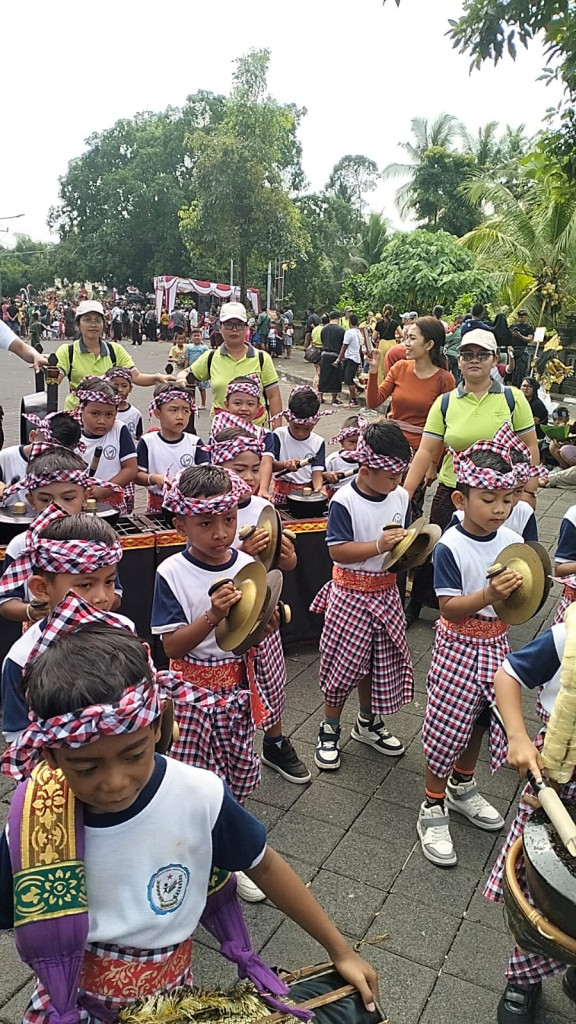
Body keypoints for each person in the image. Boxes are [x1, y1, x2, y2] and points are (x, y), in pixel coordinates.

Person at [0, 602, 379, 1022]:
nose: (114, 782)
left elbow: (265, 866)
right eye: (86, 767)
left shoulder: (198, 794)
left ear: (159, 725)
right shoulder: (35, 820)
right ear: (50, 757)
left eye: (133, 754)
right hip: (70, 1006)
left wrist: (340, 949)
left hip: (173, 1003)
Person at [417, 429, 527, 869]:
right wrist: (489, 594)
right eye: (488, 498)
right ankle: (432, 803)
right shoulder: (451, 546)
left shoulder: (509, 538)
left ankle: (463, 785)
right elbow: (449, 609)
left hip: (496, 643)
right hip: (459, 645)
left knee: (483, 720)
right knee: (448, 723)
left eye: (507, 497)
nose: (500, 508)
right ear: (461, 500)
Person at [402, 328, 538, 627]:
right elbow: (426, 451)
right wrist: (403, 495)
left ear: (494, 360)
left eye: (482, 354)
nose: (474, 360)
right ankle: (421, 602)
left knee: (496, 547)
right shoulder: (446, 403)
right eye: (467, 355)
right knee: (434, 545)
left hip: (500, 494)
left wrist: (527, 493)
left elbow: (530, 447)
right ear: (458, 361)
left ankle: (492, 605)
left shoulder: (512, 398)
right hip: (454, 488)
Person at [485, 620, 576, 1024]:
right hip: (558, 779)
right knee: (545, 886)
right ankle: (524, 979)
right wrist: (519, 737)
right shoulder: (570, 634)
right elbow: (509, 673)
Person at [211, 426, 310, 792]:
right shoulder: (206, 509)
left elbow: (287, 565)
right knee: (225, 688)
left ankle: (274, 741)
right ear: (218, 466)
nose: (250, 477)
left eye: (255, 468)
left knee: (271, 682)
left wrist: (285, 554)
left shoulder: (263, 507)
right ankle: (222, 750)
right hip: (224, 617)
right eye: (239, 469)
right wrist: (242, 553)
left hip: (262, 615)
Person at [310, 420, 413, 770]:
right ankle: (330, 725)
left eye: (400, 475)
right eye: (390, 476)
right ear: (366, 470)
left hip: (386, 592)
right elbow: (337, 551)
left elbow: (403, 545)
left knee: (379, 662)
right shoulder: (345, 500)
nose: (396, 483)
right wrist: (377, 545)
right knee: (343, 664)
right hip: (350, 592)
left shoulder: (400, 496)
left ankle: (368, 721)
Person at [0, 506, 127, 742]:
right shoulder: (22, 659)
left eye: (109, 582)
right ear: (42, 589)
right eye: (85, 585)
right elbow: (19, 736)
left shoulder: (124, 630)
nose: (102, 597)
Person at [0, 446, 124, 626]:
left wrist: (93, 601)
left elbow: (116, 595)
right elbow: (5, 602)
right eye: (45, 500)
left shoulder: (99, 538)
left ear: (85, 497)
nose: (56, 508)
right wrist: (32, 611)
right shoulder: (22, 545)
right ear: (31, 500)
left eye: (67, 499)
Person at [366, 316, 455, 517]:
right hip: (388, 447)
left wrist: (433, 465)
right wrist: (373, 370)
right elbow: (374, 401)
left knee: (409, 508)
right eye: (406, 337)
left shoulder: (445, 379)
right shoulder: (399, 368)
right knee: (378, 502)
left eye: (412, 338)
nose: (405, 343)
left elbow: (444, 427)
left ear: (429, 344)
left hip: (419, 454)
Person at [55, 300, 171, 411]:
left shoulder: (115, 350)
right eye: (87, 320)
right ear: (78, 324)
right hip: (76, 414)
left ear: (104, 324)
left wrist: (157, 378)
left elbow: (135, 377)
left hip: (107, 415)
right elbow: (54, 379)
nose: (93, 324)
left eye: (97, 320)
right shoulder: (67, 351)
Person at [188, 303, 282, 427]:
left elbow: (274, 396)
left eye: (238, 324)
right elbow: (188, 376)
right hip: (222, 436)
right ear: (220, 328)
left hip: (256, 437)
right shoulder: (210, 357)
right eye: (228, 325)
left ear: (246, 328)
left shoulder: (262, 358)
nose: (234, 329)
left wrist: (276, 433)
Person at [136, 384, 208, 513]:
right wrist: (154, 478)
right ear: (158, 413)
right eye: (173, 410)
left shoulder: (195, 442)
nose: (180, 416)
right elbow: (137, 475)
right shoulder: (148, 442)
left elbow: (206, 473)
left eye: (185, 410)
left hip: (189, 507)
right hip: (157, 507)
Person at [76, 377, 137, 513]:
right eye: (95, 414)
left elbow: (130, 469)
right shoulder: (72, 433)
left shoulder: (119, 430)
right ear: (81, 409)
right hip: (78, 501)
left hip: (112, 502)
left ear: (116, 412)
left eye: (109, 415)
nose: (102, 421)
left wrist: (105, 490)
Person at [0, 410, 82, 509]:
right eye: (46, 449)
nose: (52, 458)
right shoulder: (5, 458)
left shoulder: (71, 466)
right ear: (32, 436)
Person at [216, 376, 275, 498]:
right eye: (237, 403)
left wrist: (263, 489)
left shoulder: (264, 434)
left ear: (258, 406)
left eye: (250, 404)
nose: (244, 408)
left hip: (254, 491)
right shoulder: (219, 433)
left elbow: (266, 463)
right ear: (227, 404)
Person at [271, 386, 326, 507]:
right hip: (281, 493)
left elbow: (316, 473)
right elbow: (269, 466)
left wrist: (319, 489)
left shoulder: (318, 442)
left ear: (315, 422)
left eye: (307, 429)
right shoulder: (278, 436)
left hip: (307, 495)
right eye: (296, 427)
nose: (301, 433)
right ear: (287, 418)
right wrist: (285, 465)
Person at [323, 417, 360, 495]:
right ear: (342, 442)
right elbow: (318, 477)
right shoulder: (333, 460)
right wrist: (326, 476)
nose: (356, 446)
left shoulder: (369, 461)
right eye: (352, 442)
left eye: (361, 442)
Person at [334, 313, 363, 405]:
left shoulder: (349, 332)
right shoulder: (359, 333)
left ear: (350, 322)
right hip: (355, 357)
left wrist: (339, 359)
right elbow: (360, 347)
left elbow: (344, 346)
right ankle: (358, 388)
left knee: (348, 379)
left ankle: (353, 399)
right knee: (347, 377)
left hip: (350, 357)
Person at [318, 311, 344, 405]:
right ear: (339, 319)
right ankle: (334, 398)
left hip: (324, 355)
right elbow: (343, 345)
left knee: (323, 376)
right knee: (335, 378)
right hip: (335, 355)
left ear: (330, 319)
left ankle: (320, 396)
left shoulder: (324, 329)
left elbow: (322, 340)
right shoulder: (341, 330)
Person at [184, 327, 210, 411]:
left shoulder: (204, 348)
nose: (196, 337)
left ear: (201, 336)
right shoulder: (189, 347)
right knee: (191, 388)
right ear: (191, 337)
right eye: (194, 335)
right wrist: (185, 369)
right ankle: (192, 403)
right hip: (191, 370)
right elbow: (187, 358)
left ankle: (203, 403)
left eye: (198, 335)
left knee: (202, 388)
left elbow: (207, 359)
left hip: (202, 371)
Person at [509, 308, 535, 386]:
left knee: (521, 370)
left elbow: (529, 339)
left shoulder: (529, 327)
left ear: (526, 317)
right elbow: (508, 337)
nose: (521, 319)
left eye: (523, 317)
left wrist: (520, 336)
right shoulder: (513, 326)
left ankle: (519, 385)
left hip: (522, 349)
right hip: (513, 349)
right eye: (519, 317)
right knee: (511, 369)